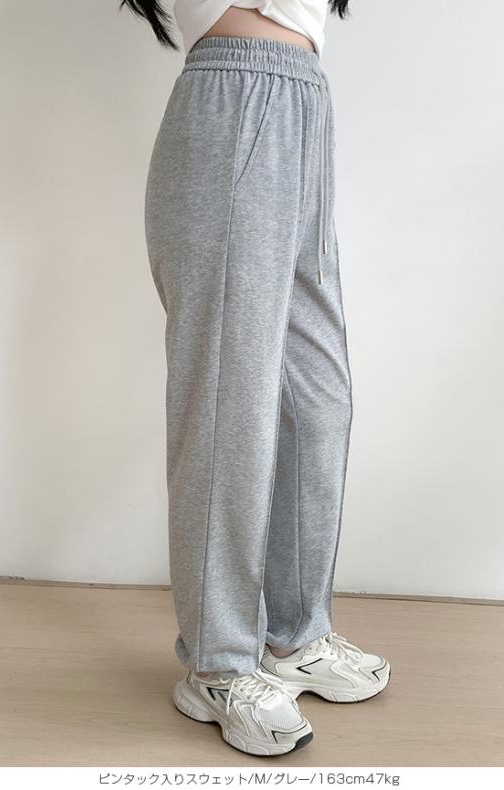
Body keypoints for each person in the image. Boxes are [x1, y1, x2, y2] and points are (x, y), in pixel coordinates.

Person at [121, 0, 391, 756]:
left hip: (306, 104)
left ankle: (294, 637)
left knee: (318, 400)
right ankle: (218, 665)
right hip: (231, 98)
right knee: (227, 405)